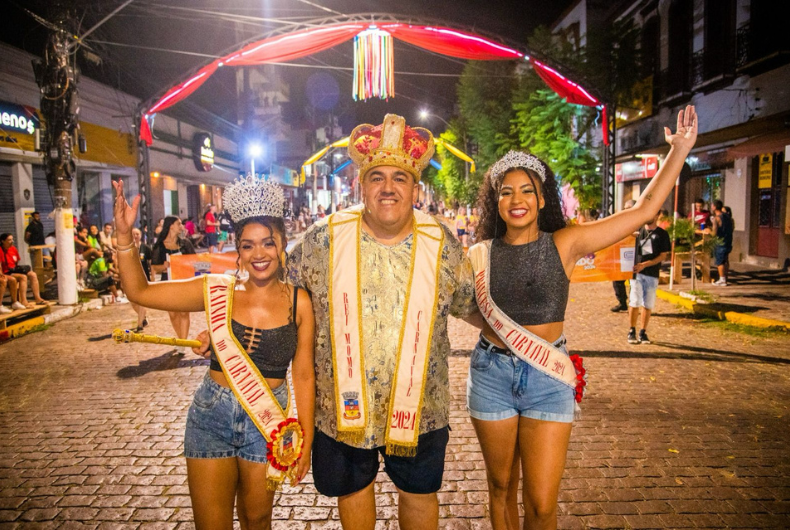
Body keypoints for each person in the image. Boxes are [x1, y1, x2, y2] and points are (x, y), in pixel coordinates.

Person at [467, 105, 697, 529]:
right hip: (491, 375)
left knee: (540, 503)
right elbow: (461, 306)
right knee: (499, 490)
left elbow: (643, 212)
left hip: (546, 378)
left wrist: (678, 152)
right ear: (494, 201)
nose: (516, 199)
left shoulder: (566, 243)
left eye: (526, 190)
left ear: (541, 199)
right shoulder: (480, 256)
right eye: (506, 191)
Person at [280, 114, 478, 529]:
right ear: (361, 186)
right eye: (377, 177)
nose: (388, 188)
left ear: (415, 188)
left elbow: (470, 305)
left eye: (400, 178)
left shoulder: (443, 244)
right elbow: (282, 298)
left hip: (421, 405)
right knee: (353, 490)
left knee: (420, 492)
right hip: (343, 407)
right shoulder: (322, 239)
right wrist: (228, 326)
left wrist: (527, 334)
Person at [112, 176, 315, 530]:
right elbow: (139, 291)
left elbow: (303, 375)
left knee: (257, 519)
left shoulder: (300, 302)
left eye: (268, 243)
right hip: (210, 416)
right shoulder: (216, 290)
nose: (259, 254)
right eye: (248, 245)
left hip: (265, 421)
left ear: (283, 243)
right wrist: (124, 236)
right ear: (238, 250)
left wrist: (307, 439)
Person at [150, 216, 196, 355]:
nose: (181, 226)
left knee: (184, 312)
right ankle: (180, 338)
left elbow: (196, 261)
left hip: (184, 282)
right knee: (173, 314)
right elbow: (155, 267)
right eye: (179, 224)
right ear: (171, 226)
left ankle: (182, 342)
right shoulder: (160, 246)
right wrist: (163, 266)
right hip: (168, 283)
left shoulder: (186, 244)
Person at [627, 212, 671, 344]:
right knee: (634, 301)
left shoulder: (662, 234)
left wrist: (645, 265)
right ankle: (631, 330)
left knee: (648, 303)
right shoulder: (637, 232)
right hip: (636, 273)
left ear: (657, 215)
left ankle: (643, 332)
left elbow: (663, 256)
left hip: (652, 273)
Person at [0, 233, 46, 307]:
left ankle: (38, 298)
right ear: (2, 241)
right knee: (23, 277)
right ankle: (24, 301)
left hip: (14, 269)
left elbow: (16, 261)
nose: (12, 241)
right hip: (7, 271)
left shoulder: (13, 249)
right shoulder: (1, 250)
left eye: (12, 239)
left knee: (33, 274)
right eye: (9, 240)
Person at [611, 199, 637, 312]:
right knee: (617, 279)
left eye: (628, 208)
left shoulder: (640, 220)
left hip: (636, 255)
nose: (626, 211)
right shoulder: (622, 221)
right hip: (623, 255)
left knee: (635, 281)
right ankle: (622, 302)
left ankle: (634, 303)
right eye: (625, 208)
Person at [130, 227, 151, 331]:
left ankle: (139, 325)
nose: (135, 236)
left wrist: (152, 276)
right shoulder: (128, 249)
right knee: (133, 302)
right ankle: (143, 318)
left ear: (141, 235)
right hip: (131, 278)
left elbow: (151, 262)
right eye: (133, 234)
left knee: (141, 301)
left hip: (143, 278)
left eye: (137, 234)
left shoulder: (145, 248)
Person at [710, 199, 734, 286]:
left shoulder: (716, 219)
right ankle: (725, 277)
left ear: (715, 207)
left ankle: (722, 279)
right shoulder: (727, 217)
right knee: (725, 260)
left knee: (719, 261)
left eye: (712, 205)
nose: (711, 207)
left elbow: (714, 233)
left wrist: (709, 231)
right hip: (728, 241)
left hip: (720, 242)